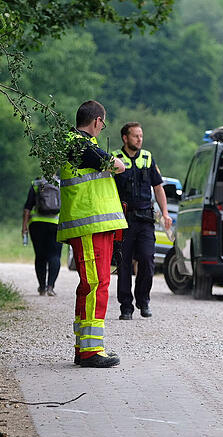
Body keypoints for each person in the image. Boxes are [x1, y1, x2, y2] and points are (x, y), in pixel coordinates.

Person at [58, 100, 126, 368]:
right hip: (89, 225)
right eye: (103, 124)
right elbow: (116, 166)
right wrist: (116, 161)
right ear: (97, 121)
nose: (102, 128)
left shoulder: (81, 144)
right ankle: (90, 351)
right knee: (96, 285)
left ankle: (85, 347)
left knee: (92, 285)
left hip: (94, 225)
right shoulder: (78, 143)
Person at [112, 122, 172, 319]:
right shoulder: (115, 159)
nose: (139, 139)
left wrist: (165, 213)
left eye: (141, 136)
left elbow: (158, 187)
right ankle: (126, 307)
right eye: (135, 136)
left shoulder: (147, 157)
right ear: (125, 138)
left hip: (145, 218)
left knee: (147, 259)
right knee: (124, 264)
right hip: (123, 220)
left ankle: (143, 300)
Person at [22, 177, 63, 296]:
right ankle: (50, 287)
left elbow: (27, 207)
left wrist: (24, 226)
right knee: (55, 256)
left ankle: (42, 287)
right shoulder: (61, 183)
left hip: (37, 224)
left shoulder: (36, 183)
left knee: (40, 256)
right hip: (56, 224)